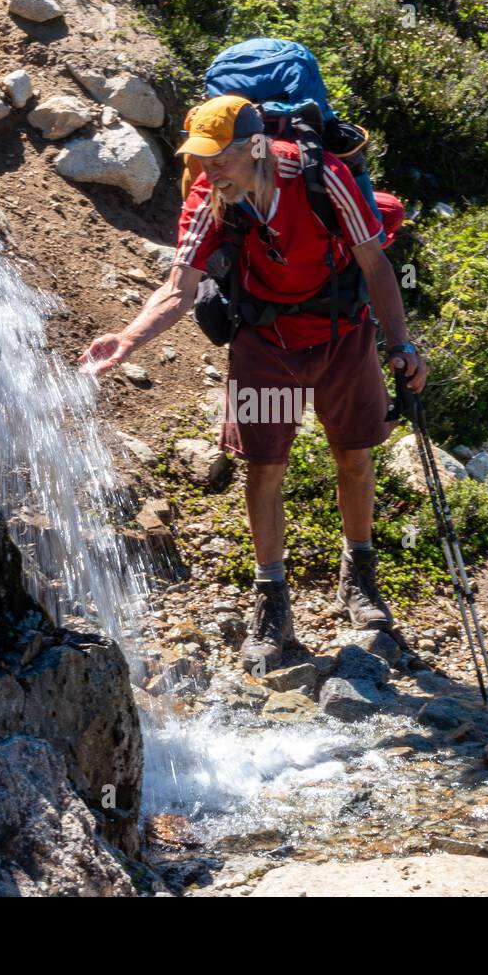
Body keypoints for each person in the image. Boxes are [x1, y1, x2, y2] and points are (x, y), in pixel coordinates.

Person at [80, 94, 427, 673]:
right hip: (266, 342)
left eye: (220, 159)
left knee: (356, 456)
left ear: (257, 146)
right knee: (265, 466)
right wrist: (128, 340)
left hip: (343, 333)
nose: (208, 171)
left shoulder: (322, 175)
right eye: (201, 159)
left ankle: (358, 579)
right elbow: (178, 287)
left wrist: (401, 345)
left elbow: (374, 264)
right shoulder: (209, 197)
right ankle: (272, 604)